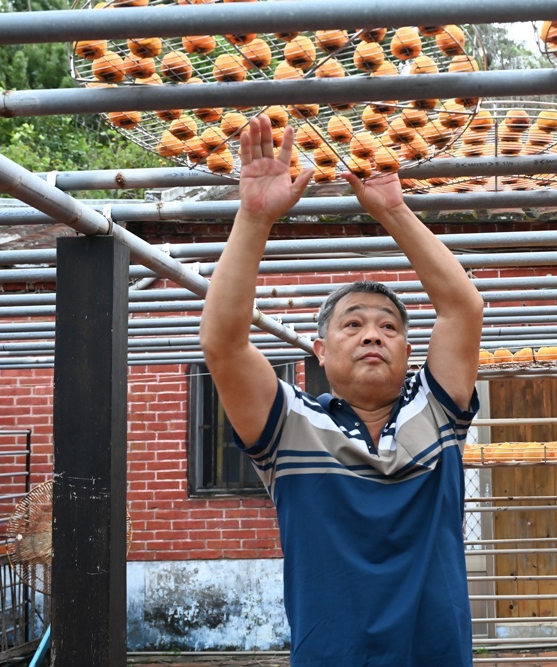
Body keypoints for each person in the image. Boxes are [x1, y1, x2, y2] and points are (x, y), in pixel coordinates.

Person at [200, 114, 485, 667]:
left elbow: (463, 307)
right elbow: (225, 344)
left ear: (409, 351)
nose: (373, 333)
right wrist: (254, 217)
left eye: (389, 326)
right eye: (352, 324)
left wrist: (394, 211)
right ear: (320, 351)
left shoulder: (439, 412)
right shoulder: (288, 427)